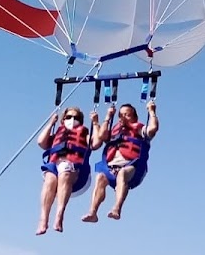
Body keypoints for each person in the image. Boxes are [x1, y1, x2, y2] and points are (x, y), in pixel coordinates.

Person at [82, 100, 158, 222]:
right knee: (100, 177)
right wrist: (108, 116)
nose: (123, 117)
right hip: (111, 167)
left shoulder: (139, 129)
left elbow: (153, 129)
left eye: (127, 114)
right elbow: (102, 136)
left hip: (133, 167)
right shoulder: (115, 130)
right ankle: (92, 212)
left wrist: (152, 111)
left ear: (134, 117)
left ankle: (116, 208)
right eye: (121, 115)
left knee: (122, 174)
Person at [36, 106, 97, 235]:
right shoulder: (58, 133)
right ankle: (43, 219)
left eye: (76, 118)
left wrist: (95, 123)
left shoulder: (84, 133)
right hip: (55, 164)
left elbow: (95, 144)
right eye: (69, 117)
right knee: (49, 179)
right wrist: (51, 122)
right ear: (63, 119)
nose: (72, 119)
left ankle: (59, 216)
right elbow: (41, 142)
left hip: (75, 170)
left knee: (65, 171)